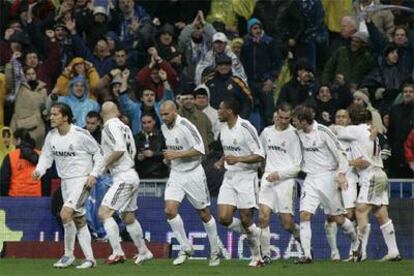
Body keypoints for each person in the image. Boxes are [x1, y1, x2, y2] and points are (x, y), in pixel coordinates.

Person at [32, 102, 105, 269]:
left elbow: (99, 153)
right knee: (79, 219)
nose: (51, 117)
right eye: (51, 114)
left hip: (82, 180)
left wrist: (94, 174)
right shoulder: (51, 136)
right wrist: (39, 171)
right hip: (65, 182)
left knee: (65, 214)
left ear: (65, 117)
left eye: (55, 114)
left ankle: (68, 254)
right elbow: (46, 157)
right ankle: (90, 259)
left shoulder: (80, 134)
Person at [332, 105, 401, 261]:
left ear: (351, 119)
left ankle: (359, 252)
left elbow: (335, 130)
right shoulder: (371, 131)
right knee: (381, 214)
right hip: (380, 173)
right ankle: (393, 251)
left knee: (360, 211)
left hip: (371, 175)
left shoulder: (356, 130)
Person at [292, 105, 359, 264]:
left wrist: (341, 174)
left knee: (337, 218)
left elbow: (341, 153)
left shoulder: (323, 131)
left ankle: (356, 241)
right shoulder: (297, 133)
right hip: (310, 178)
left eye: (295, 120)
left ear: (303, 121)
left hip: (328, 177)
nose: (293, 123)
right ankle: (307, 255)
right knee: (304, 214)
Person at [159, 100, 221, 266]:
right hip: (176, 174)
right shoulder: (164, 128)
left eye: (166, 114)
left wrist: (176, 155)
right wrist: (168, 159)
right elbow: (172, 150)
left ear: (175, 112)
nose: (164, 118)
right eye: (162, 115)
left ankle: (215, 251)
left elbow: (200, 149)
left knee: (204, 213)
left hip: (193, 173)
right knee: (170, 210)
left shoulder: (186, 125)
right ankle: (186, 247)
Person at [99, 101, 153, 265]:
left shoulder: (109, 126)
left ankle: (117, 252)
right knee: (128, 216)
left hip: (123, 175)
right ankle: (144, 251)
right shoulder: (126, 127)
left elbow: (120, 149)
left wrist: (102, 165)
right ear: (117, 112)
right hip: (131, 173)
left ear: (102, 114)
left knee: (104, 212)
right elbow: (132, 151)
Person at [215, 99, 264, 267]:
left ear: (230, 111)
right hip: (230, 177)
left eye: (221, 109)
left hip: (246, 177)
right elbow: (229, 151)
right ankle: (256, 234)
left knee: (245, 218)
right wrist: (222, 160)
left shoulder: (246, 127)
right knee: (223, 218)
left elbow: (259, 155)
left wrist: (238, 159)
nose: (218, 112)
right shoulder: (222, 128)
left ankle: (257, 257)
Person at [258, 103, 302, 264]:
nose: (283, 121)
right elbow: (261, 154)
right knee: (263, 217)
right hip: (268, 179)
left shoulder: (294, 135)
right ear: (276, 115)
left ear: (290, 118)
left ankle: (303, 242)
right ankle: (266, 255)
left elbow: (298, 166)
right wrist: (265, 172)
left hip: (285, 181)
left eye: (287, 118)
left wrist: (279, 174)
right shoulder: (266, 132)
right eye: (280, 117)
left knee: (287, 223)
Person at [325, 109, 360, 261]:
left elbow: (361, 160)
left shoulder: (355, 137)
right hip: (330, 179)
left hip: (350, 178)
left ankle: (354, 251)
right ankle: (334, 253)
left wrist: (346, 163)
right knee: (330, 216)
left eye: (343, 117)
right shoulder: (328, 135)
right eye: (338, 116)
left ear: (349, 120)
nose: (340, 119)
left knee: (350, 215)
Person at [1, 129, 42, 196]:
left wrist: (4, 198)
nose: (13, 142)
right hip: (36, 196)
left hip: (15, 196)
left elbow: (4, 180)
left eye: (14, 140)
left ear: (19, 140)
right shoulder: (40, 155)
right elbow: (46, 179)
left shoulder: (10, 156)